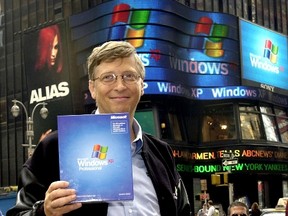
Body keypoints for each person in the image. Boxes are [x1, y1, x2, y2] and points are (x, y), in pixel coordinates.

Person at [7, 41, 191, 216]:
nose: (120, 86)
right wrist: (43, 212)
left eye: (129, 76)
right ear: (92, 88)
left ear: (141, 85)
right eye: (108, 77)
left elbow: (183, 210)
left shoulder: (162, 152)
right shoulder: (55, 146)